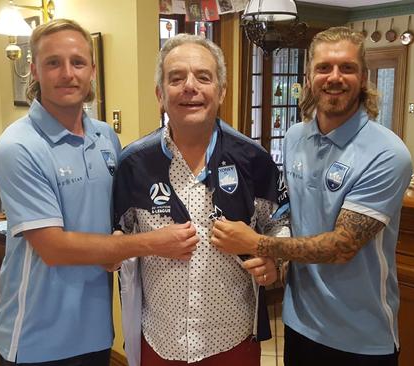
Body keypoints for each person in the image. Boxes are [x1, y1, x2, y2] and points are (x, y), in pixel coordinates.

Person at [0, 19, 199, 366]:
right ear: (34, 71)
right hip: (36, 339)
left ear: (92, 71)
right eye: (53, 62)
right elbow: (53, 247)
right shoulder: (18, 147)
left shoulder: (105, 138)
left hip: (95, 331)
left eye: (78, 62)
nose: (67, 73)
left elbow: (112, 219)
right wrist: (151, 243)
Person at [211, 26, 412, 366]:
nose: (335, 77)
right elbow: (291, 212)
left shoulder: (388, 154)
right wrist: (276, 253)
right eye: (324, 68)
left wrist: (258, 244)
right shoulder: (294, 138)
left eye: (347, 68)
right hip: (300, 323)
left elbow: (342, 246)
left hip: (361, 338)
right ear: (308, 77)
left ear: (363, 77)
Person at [113, 34, 289, 366]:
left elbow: (281, 224)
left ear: (221, 91)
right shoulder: (133, 165)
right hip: (159, 341)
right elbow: (115, 240)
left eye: (203, 77)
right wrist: (147, 243)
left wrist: (273, 260)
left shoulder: (254, 160)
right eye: (176, 78)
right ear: (160, 94)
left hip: (232, 339)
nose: (189, 87)